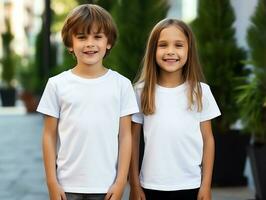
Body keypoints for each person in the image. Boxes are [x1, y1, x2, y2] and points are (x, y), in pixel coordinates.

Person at [37, 4, 139, 200]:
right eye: (82, 37)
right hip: (67, 187)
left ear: (108, 42)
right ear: (70, 43)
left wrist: (120, 182)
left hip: (106, 187)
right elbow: (48, 136)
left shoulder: (122, 85)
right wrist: (52, 182)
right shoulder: (56, 85)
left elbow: (126, 137)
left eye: (97, 37)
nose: (90, 43)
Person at [129, 18, 221, 200]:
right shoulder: (141, 91)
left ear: (189, 50)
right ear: (153, 50)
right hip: (150, 186)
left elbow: (208, 140)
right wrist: (134, 184)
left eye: (178, 45)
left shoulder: (201, 91)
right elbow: (132, 140)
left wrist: (206, 185)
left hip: (191, 185)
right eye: (163, 45)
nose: (170, 51)